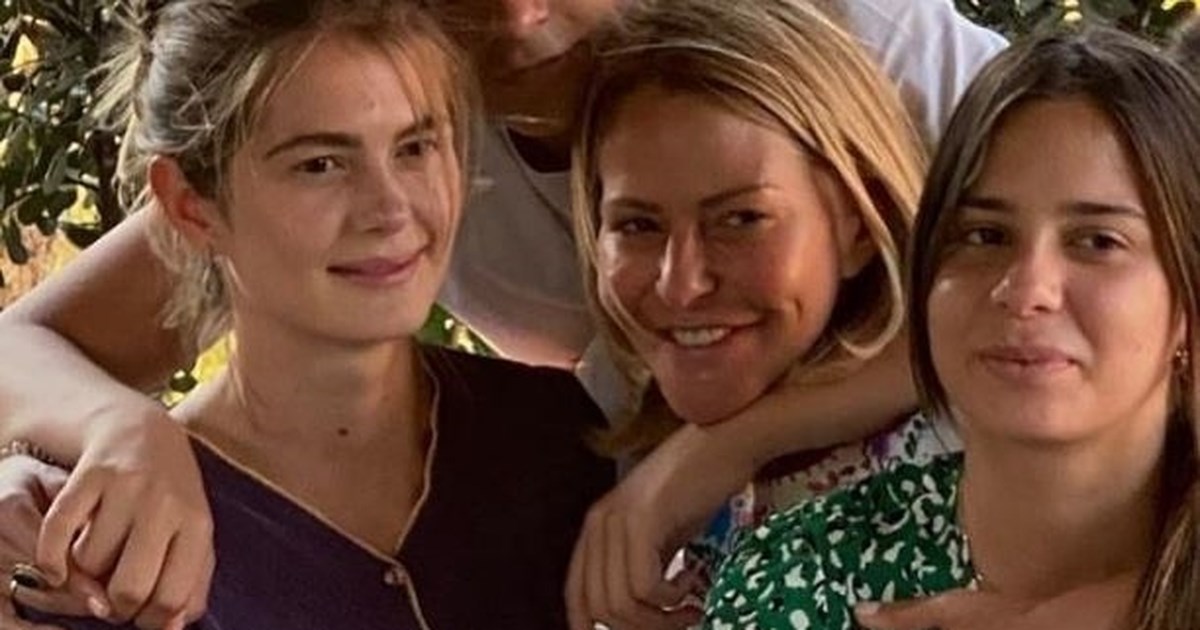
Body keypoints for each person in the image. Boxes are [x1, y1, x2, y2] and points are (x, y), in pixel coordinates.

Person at [0, 0, 1003, 626]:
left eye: (416, 149)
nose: (519, 15)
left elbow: (1081, 298)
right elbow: (23, 343)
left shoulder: (859, 41)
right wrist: (116, 433)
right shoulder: (387, 84)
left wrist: (713, 453)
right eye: (634, 224)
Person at [6, 1, 613, 629]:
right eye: (320, 165)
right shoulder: (120, 556)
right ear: (191, 206)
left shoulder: (560, 440)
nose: (390, 210)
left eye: (414, 148)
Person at [704, 26, 1200, 630]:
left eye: (1098, 242)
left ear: (1187, 300)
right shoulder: (801, 577)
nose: (1026, 290)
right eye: (985, 236)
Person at [561, 0, 958, 626]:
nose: (681, 283)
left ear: (859, 224)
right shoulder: (605, 440)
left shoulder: (984, 450)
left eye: (741, 219)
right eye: (638, 225)